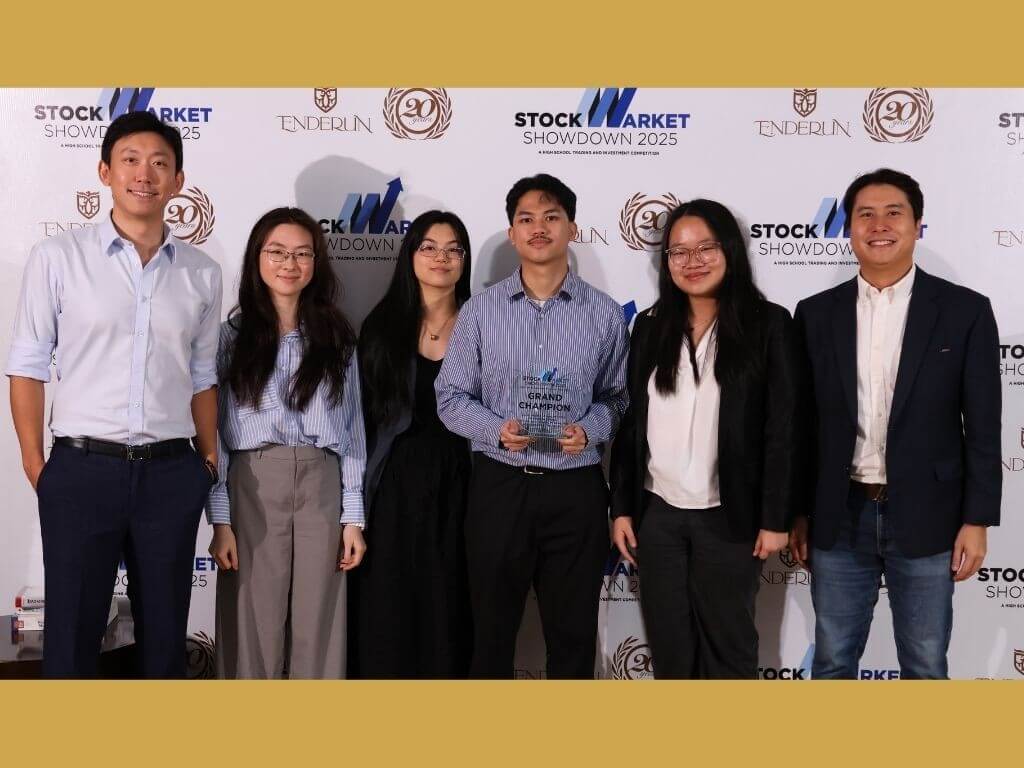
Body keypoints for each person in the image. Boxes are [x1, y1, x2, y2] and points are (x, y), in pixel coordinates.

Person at [5, 111, 222, 678]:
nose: (143, 174)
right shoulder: (58, 258)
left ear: (178, 181)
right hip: (81, 470)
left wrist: (208, 462)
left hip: (172, 474)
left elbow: (203, 375)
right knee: (72, 640)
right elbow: (27, 366)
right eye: (130, 160)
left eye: (159, 163)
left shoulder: (202, 273)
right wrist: (37, 465)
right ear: (105, 171)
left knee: (164, 644)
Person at [789, 168, 1001, 679]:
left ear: (917, 225)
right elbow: (801, 426)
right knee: (834, 659)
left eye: (893, 213)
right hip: (839, 518)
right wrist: (797, 512)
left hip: (931, 516)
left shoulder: (965, 311)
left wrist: (977, 520)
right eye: (865, 214)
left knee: (925, 664)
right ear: (848, 227)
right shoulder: (815, 314)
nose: (878, 225)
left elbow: (985, 424)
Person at [436, 173, 629, 679]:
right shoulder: (479, 311)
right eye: (526, 219)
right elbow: (450, 397)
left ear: (573, 228)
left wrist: (590, 428)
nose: (538, 228)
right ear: (511, 233)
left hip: (576, 493)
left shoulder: (606, 316)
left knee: (572, 637)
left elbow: (619, 397)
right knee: (490, 636)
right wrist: (495, 428)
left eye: (551, 217)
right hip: (500, 487)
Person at [609, 199, 801, 679]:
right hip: (658, 518)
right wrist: (623, 508)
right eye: (678, 251)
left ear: (730, 251)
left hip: (730, 519)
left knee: (729, 648)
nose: (692, 261)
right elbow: (632, 425)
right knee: (671, 650)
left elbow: (784, 428)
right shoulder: (650, 327)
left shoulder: (769, 324)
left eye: (705, 247)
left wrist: (776, 517)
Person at [207, 207, 366, 679]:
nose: (289, 264)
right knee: (251, 622)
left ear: (316, 263)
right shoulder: (230, 338)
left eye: (302, 253)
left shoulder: (337, 339)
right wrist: (220, 518)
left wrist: (353, 516)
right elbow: (212, 429)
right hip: (252, 480)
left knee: (320, 622)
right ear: (257, 257)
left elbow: (353, 428)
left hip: (322, 481)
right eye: (277, 252)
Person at [351, 210, 473, 678]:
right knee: (387, 614)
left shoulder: (484, 324)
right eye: (428, 247)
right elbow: (360, 423)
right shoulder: (382, 327)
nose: (440, 258)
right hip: (392, 491)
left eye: (452, 249)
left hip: (464, 487)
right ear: (410, 255)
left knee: (450, 612)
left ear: (464, 260)